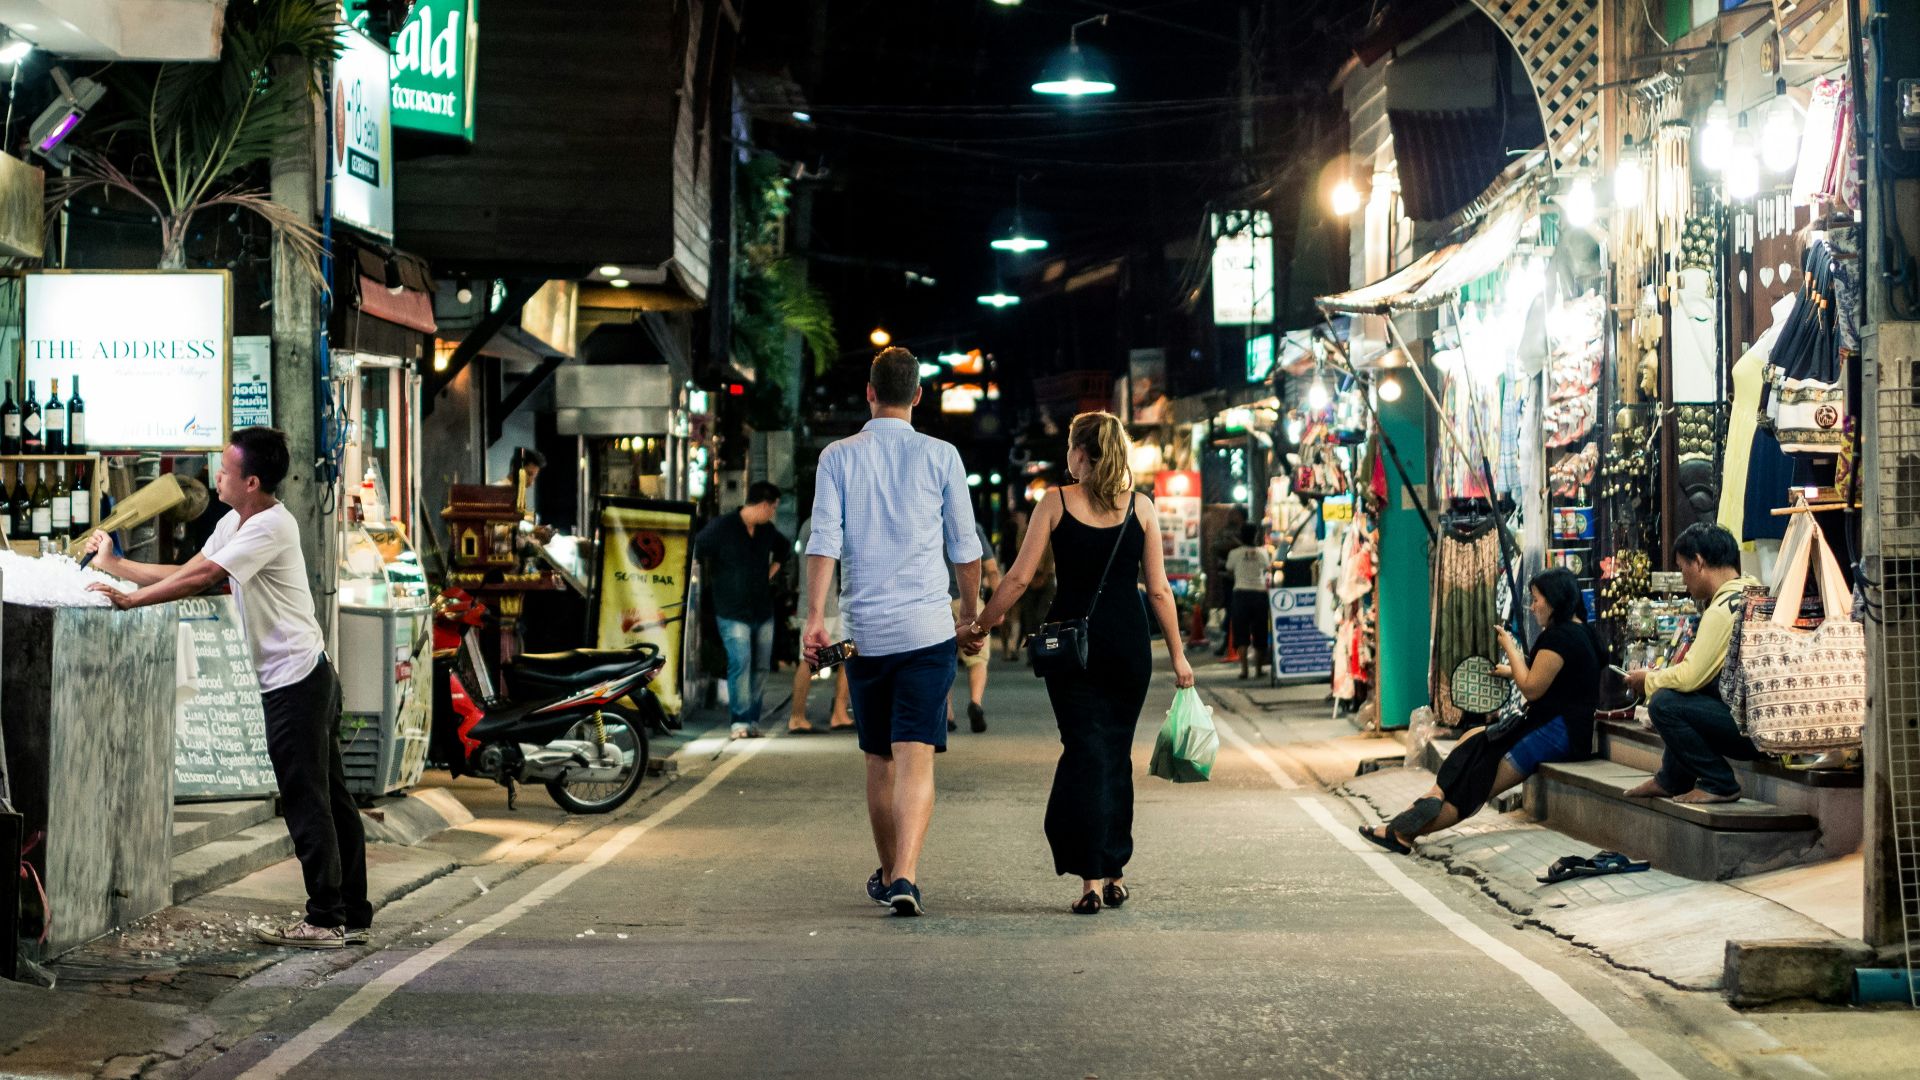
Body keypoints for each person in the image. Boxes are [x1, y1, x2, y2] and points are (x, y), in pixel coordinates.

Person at [88, 427, 369, 949]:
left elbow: (201, 581)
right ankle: (350, 912)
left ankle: (326, 918)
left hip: (297, 683)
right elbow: (187, 568)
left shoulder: (269, 527)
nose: (215, 476)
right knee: (331, 797)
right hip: (308, 674)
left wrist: (128, 602)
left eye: (224, 470)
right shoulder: (235, 523)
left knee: (309, 802)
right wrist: (117, 565)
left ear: (252, 481)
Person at [960, 412, 1195, 914]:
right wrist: (1177, 654)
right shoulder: (1142, 508)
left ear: (1081, 454)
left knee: (1087, 751)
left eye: (1070, 448)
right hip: (1128, 644)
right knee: (1111, 755)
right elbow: (1157, 589)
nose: (1066, 457)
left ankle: (1093, 879)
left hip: (1072, 645)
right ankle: (1113, 872)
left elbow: (1020, 580)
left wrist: (981, 625)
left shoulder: (1055, 502)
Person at [804, 347, 981, 917]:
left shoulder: (838, 456)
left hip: (865, 634)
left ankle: (889, 873)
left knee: (878, 758)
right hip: (928, 631)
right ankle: (904, 873)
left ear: (869, 392)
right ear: (920, 396)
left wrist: (814, 617)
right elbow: (965, 546)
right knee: (915, 757)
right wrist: (971, 613)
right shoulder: (942, 455)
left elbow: (823, 540)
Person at [1363, 567, 1604, 853]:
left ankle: (1401, 831)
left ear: (1553, 601)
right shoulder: (1583, 633)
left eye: (1536, 599)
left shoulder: (1560, 638)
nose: (1532, 606)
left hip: (1554, 733)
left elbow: (1532, 688)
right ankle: (1433, 796)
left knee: (1476, 783)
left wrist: (1511, 649)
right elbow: (1561, 680)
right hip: (1552, 727)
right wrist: (1512, 670)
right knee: (1474, 739)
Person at [1622, 523, 1763, 804]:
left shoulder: (1723, 611)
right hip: (1760, 723)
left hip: (1750, 732)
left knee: (1665, 703)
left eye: (1682, 567)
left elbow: (1689, 677)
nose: (1683, 579)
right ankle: (1671, 779)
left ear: (1698, 562)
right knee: (1683, 694)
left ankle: (1719, 782)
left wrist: (1647, 681)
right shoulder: (1754, 590)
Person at [694, 482, 789, 739]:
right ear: (762, 504)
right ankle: (740, 721)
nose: (773, 513)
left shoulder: (767, 531)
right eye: (773, 508)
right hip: (731, 608)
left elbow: (784, 548)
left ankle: (752, 719)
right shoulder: (722, 527)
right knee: (740, 663)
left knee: (761, 666)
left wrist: (771, 571)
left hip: (762, 609)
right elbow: (697, 548)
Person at [789, 514, 853, 733]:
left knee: (847, 654)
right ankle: (798, 717)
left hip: (827, 605)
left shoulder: (813, 523)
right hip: (820, 608)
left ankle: (838, 713)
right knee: (810, 659)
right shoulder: (821, 522)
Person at [946, 520, 1001, 733]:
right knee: (978, 656)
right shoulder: (971, 527)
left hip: (936, 602)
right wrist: (998, 606)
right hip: (966, 599)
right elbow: (991, 569)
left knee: (943, 657)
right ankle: (975, 702)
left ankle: (947, 711)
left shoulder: (927, 523)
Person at [1225, 524, 1272, 680]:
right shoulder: (1263, 553)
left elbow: (1229, 569)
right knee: (1260, 632)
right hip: (1259, 594)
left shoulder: (1234, 553)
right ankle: (1258, 670)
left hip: (1240, 594)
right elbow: (1267, 568)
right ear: (1256, 535)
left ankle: (1244, 670)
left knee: (1241, 633)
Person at [1209, 505, 1249, 656]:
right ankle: (1229, 642)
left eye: (1234, 514)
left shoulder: (1247, 529)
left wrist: (1235, 546)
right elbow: (1215, 546)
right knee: (1229, 609)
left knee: (1239, 612)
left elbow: (1249, 548)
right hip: (1227, 576)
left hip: (1243, 577)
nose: (1231, 517)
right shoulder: (1225, 530)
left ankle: (1236, 644)